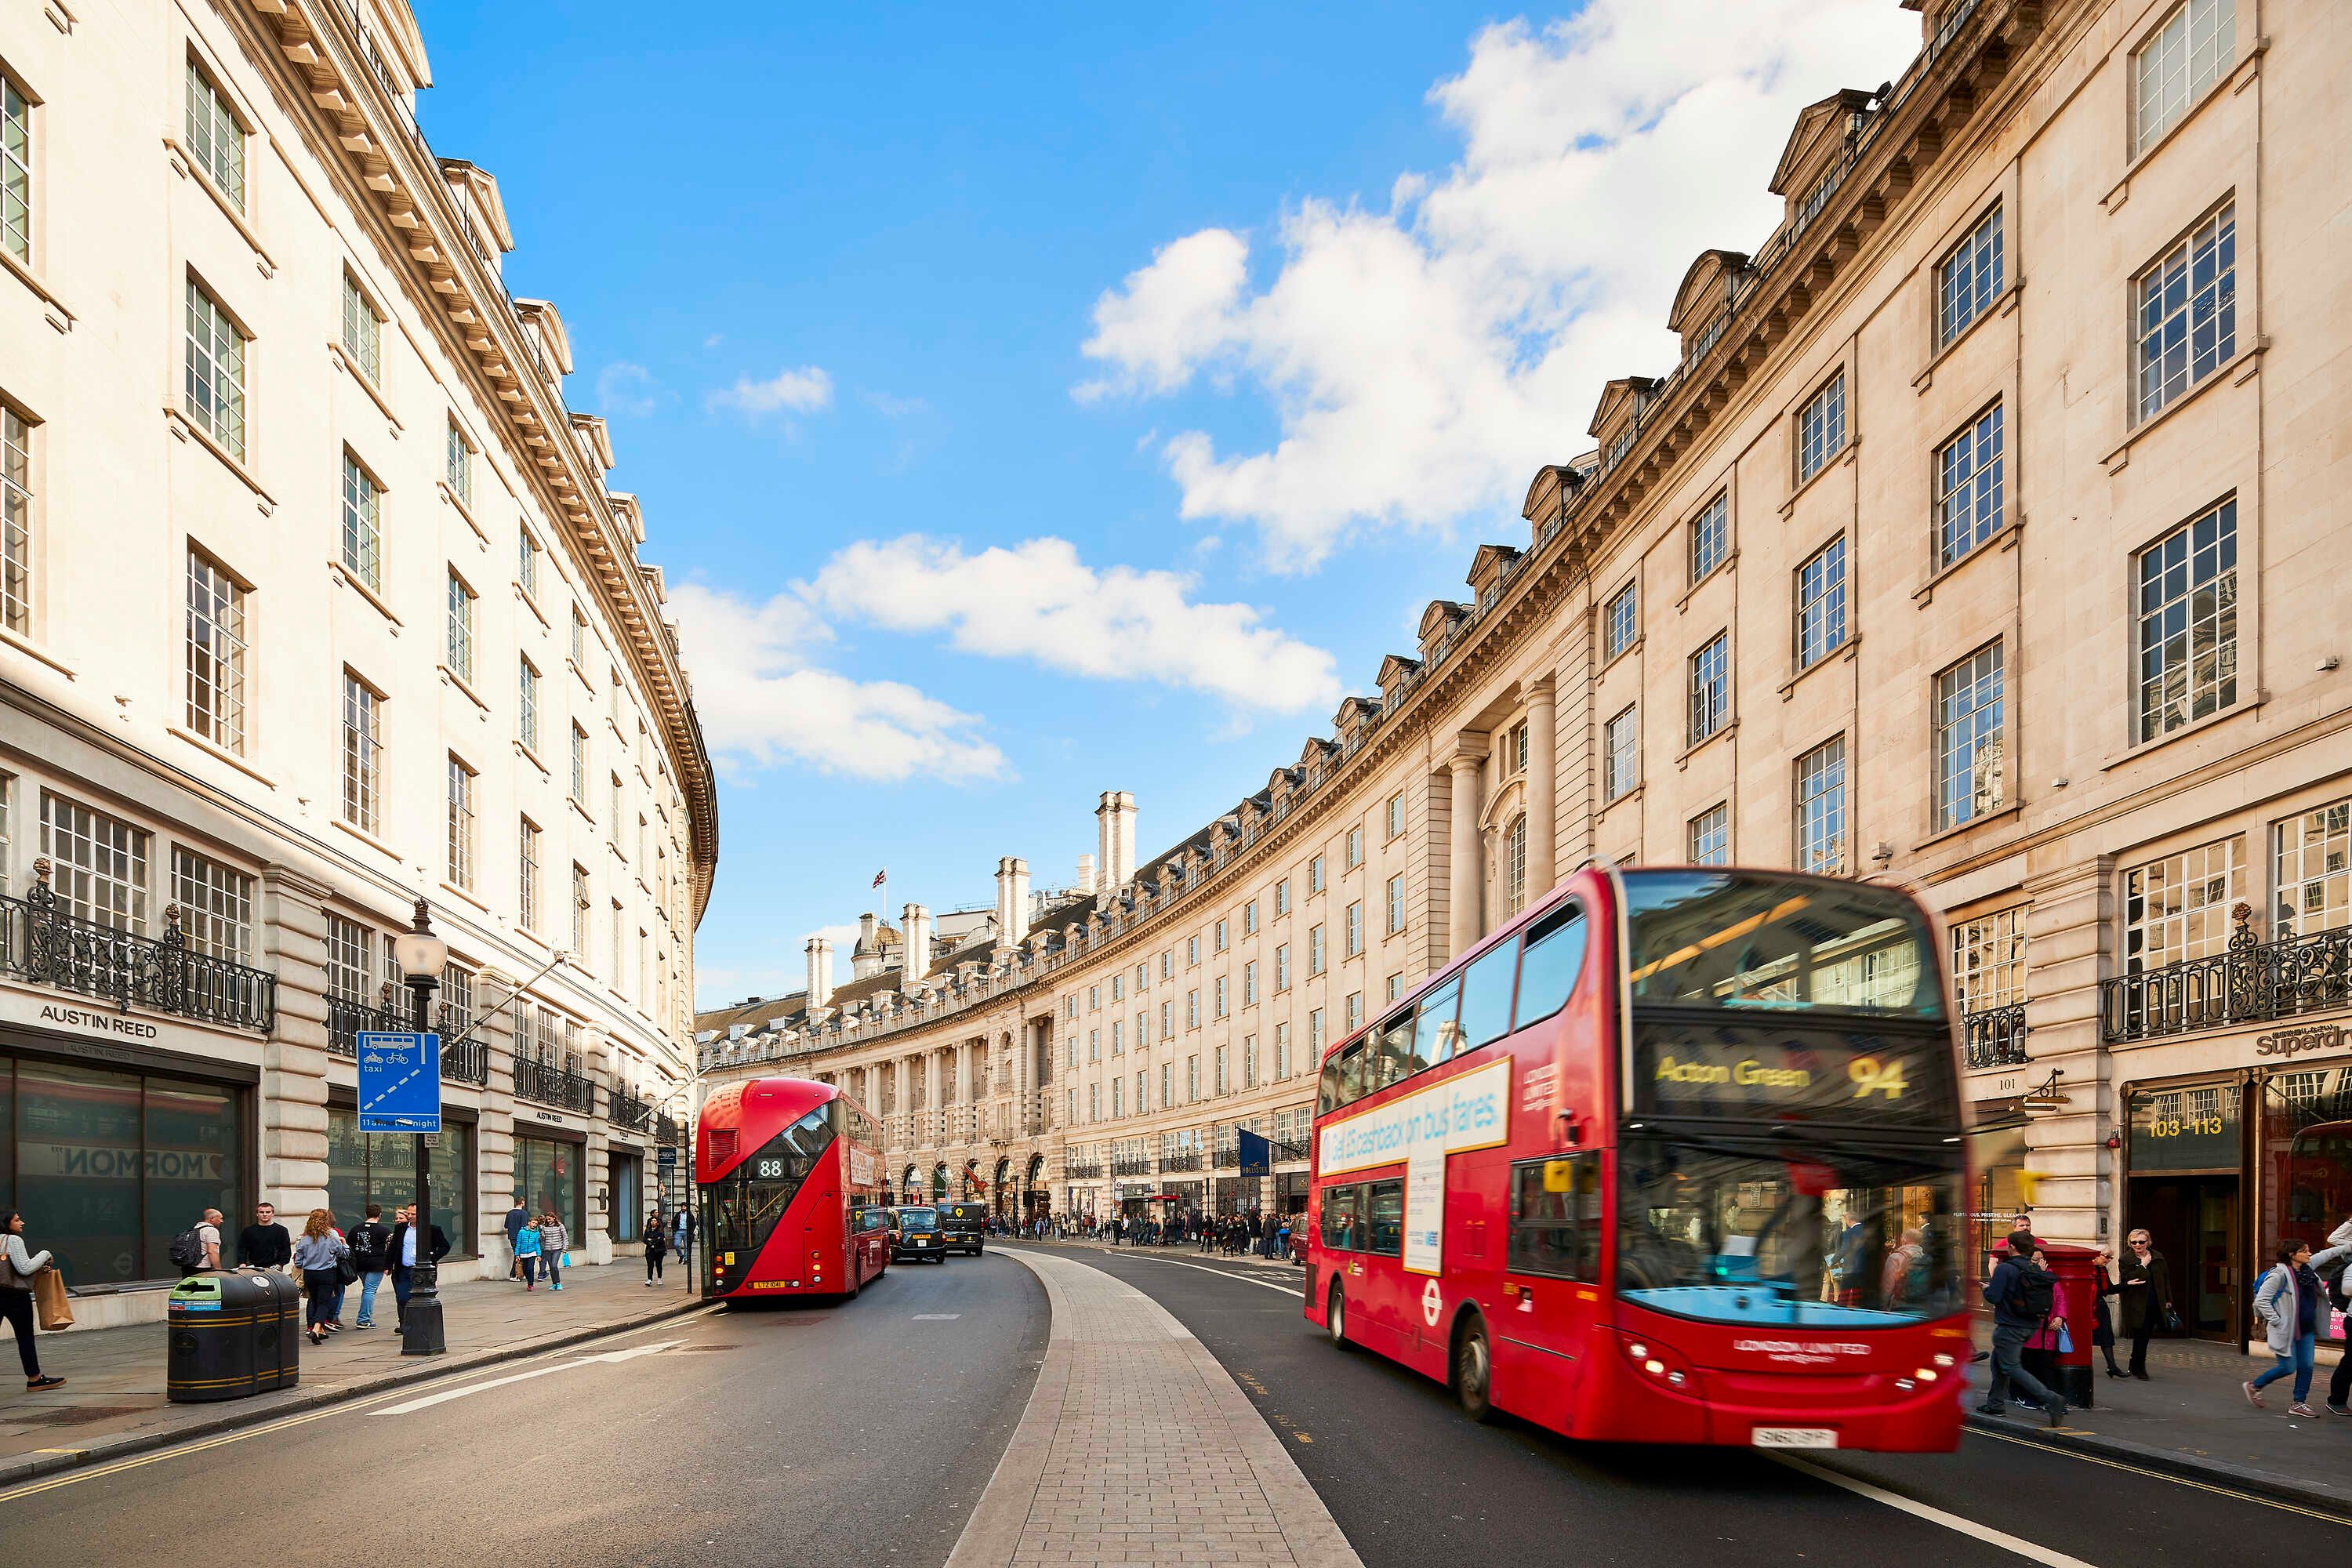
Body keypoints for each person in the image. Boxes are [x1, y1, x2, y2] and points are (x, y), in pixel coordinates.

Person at [2249, 1236, 2347, 1417]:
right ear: (2292, 1255)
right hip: (2286, 1329)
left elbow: (2328, 1253)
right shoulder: (2279, 1275)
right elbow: (2262, 1301)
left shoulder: (2307, 1269)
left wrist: (2347, 1247)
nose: (2310, 1254)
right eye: (2305, 1251)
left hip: (2306, 1329)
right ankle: (2255, 1385)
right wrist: (2277, 1320)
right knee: (2287, 1367)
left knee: (2307, 1366)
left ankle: (2298, 1403)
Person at [1979, 1232, 2068, 1426]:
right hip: (2031, 1325)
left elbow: (1994, 1296)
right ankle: (1995, 1404)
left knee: (2010, 1366)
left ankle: (2051, 1398)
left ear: (2011, 1246)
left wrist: (1986, 1289)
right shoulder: (2033, 1268)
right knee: (1998, 1363)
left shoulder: (2006, 1269)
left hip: (2011, 1325)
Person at [2, 1210, 65, 1391]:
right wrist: (45, 1254)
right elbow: (24, 1268)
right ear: (5, 1223)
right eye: (17, 1220)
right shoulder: (13, 1240)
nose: (21, 1223)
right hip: (14, 1296)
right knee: (25, 1338)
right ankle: (34, 1378)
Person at [2117, 1228, 2176, 1380]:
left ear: (2148, 1242)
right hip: (2137, 1304)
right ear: (2129, 1243)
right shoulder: (2125, 1260)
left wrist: (2168, 1300)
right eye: (2134, 1242)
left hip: (2155, 1301)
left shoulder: (2158, 1257)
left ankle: (2134, 1364)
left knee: (2145, 1336)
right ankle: (2140, 1367)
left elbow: (2166, 1280)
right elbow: (2133, 1279)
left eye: (2141, 1242)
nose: (2138, 1245)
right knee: (2141, 1335)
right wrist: (2143, 1265)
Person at [386, 1203, 451, 1332]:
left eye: (413, 1214)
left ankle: (413, 1325)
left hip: (421, 1271)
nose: (410, 1216)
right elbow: (393, 1248)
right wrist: (388, 1265)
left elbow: (445, 1246)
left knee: (419, 1298)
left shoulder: (432, 1229)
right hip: (403, 1268)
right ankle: (405, 1323)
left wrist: (432, 1259)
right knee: (402, 1297)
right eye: (408, 1214)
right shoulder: (401, 1228)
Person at [2020, 1247, 2071, 1399]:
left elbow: (2060, 1298)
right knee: (2028, 1365)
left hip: (2048, 1330)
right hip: (2031, 1330)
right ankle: (2026, 1397)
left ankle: (2051, 1398)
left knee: (2047, 1365)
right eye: (2036, 1260)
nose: (2040, 1263)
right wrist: (2040, 1274)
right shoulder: (2025, 1277)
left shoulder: (2050, 1277)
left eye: (2042, 1259)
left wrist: (2060, 1317)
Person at [292, 1209, 348, 1346]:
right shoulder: (332, 1237)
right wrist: (344, 1243)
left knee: (314, 1299)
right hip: (327, 1273)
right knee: (324, 1302)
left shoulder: (304, 1239)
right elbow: (343, 1254)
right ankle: (317, 1328)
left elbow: (298, 1261)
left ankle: (318, 1329)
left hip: (310, 1274)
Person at [347, 1203, 390, 1330]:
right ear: (380, 1215)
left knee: (368, 1289)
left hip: (360, 1264)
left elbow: (349, 1247)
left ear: (366, 1214)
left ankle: (366, 1318)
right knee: (370, 1290)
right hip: (376, 1264)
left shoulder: (356, 1229)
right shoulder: (384, 1231)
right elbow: (389, 1248)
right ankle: (364, 1319)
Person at [2088, 1247, 2125, 1378]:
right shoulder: (2085, 1268)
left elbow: (2109, 1289)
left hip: (2100, 1306)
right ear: (2096, 1255)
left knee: (2107, 1337)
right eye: (2106, 1257)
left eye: (2111, 1258)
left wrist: (2128, 1285)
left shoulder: (2103, 1270)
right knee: (2085, 1339)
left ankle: (2112, 1366)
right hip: (2086, 1308)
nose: (2109, 1260)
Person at [237, 1201, 292, 1273]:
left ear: (273, 1214)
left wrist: (279, 1265)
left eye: (268, 1212)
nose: (265, 1215)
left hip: (274, 1268)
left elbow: (286, 1251)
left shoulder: (281, 1230)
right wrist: (242, 1263)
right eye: (262, 1212)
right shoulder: (248, 1231)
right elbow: (242, 1249)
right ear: (257, 1214)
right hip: (253, 1267)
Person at [514, 1210, 543, 1290]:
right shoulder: (522, 1232)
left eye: (536, 1224)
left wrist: (539, 1255)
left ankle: (530, 1285)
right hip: (523, 1253)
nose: (534, 1225)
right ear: (529, 1223)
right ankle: (528, 1279)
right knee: (525, 1269)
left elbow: (537, 1244)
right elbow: (518, 1244)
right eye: (533, 1223)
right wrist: (517, 1255)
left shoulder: (536, 1233)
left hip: (532, 1253)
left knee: (530, 1268)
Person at [539, 1210, 568, 1292]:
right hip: (547, 1249)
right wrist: (541, 1233)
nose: (548, 1221)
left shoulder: (560, 1226)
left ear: (554, 1218)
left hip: (557, 1248)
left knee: (554, 1265)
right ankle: (554, 1283)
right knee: (551, 1267)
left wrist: (564, 1248)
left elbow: (565, 1237)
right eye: (547, 1219)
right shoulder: (544, 1227)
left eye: (550, 1219)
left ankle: (558, 1283)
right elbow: (542, 1239)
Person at [504, 1196, 529, 1283]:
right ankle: (514, 1275)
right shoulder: (524, 1214)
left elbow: (506, 1225)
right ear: (522, 1202)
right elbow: (524, 1227)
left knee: (517, 1254)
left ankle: (520, 1274)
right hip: (521, 1237)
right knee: (519, 1255)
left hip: (512, 1236)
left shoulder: (509, 1213)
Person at [644, 1213, 670, 1286]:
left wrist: (652, 1240)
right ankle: (649, 1279)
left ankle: (659, 1278)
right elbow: (645, 1239)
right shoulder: (647, 1231)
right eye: (652, 1221)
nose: (653, 1222)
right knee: (650, 1265)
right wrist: (650, 1242)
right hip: (650, 1250)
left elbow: (661, 1239)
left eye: (655, 1221)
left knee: (658, 1264)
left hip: (659, 1250)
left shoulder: (660, 1231)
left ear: (658, 1223)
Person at [195, 1207, 224, 1271]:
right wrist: (218, 1269)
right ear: (212, 1219)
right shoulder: (211, 1230)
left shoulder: (195, 1229)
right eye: (220, 1218)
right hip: (203, 1268)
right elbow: (212, 1251)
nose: (222, 1221)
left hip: (188, 1267)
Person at [673, 1205, 695, 1271]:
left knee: (687, 1246)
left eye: (685, 1207)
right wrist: (674, 1230)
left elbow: (693, 1223)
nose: (683, 1208)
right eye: (682, 1207)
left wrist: (691, 1232)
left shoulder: (690, 1215)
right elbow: (674, 1222)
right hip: (679, 1231)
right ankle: (681, 1255)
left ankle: (686, 1259)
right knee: (676, 1244)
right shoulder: (678, 1214)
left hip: (687, 1232)